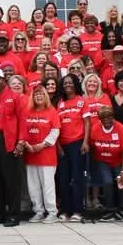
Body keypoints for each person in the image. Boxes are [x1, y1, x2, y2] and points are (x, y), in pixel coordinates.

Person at [0, 68, 27, 227]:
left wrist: (21, 141)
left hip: (8, 140)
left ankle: (14, 215)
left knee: (11, 179)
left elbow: (23, 119)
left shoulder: (15, 97)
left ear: (4, 80)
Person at [22, 84, 60, 223]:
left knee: (47, 185)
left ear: (46, 96)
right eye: (36, 94)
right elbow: (22, 129)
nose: (38, 96)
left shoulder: (52, 111)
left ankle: (52, 212)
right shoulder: (28, 111)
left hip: (46, 155)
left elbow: (55, 131)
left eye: (41, 94)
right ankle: (38, 211)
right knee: (33, 186)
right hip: (30, 154)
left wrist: (43, 144)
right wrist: (27, 144)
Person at [87, 105, 123, 221]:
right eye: (103, 118)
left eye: (109, 117)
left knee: (122, 182)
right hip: (102, 161)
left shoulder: (121, 128)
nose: (106, 120)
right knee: (107, 182)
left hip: (117, 161)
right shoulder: (95, 129)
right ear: (100, 119)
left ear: (113, 117)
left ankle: (122, 210)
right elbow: (91, 146)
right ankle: (109, 211)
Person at [55, 73, 89, 222]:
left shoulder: (82, 101)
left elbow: (87, 122)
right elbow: (56, 125)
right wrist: (58, 145)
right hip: (63, 145)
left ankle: (78, 210)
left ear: (75, 84)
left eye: (70, 83)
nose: (67, 85)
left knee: (77, 178)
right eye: (65, 83)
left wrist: (85, 142)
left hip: (77, 143)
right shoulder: (60, 103)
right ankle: (65, 210)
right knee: (63, 178)